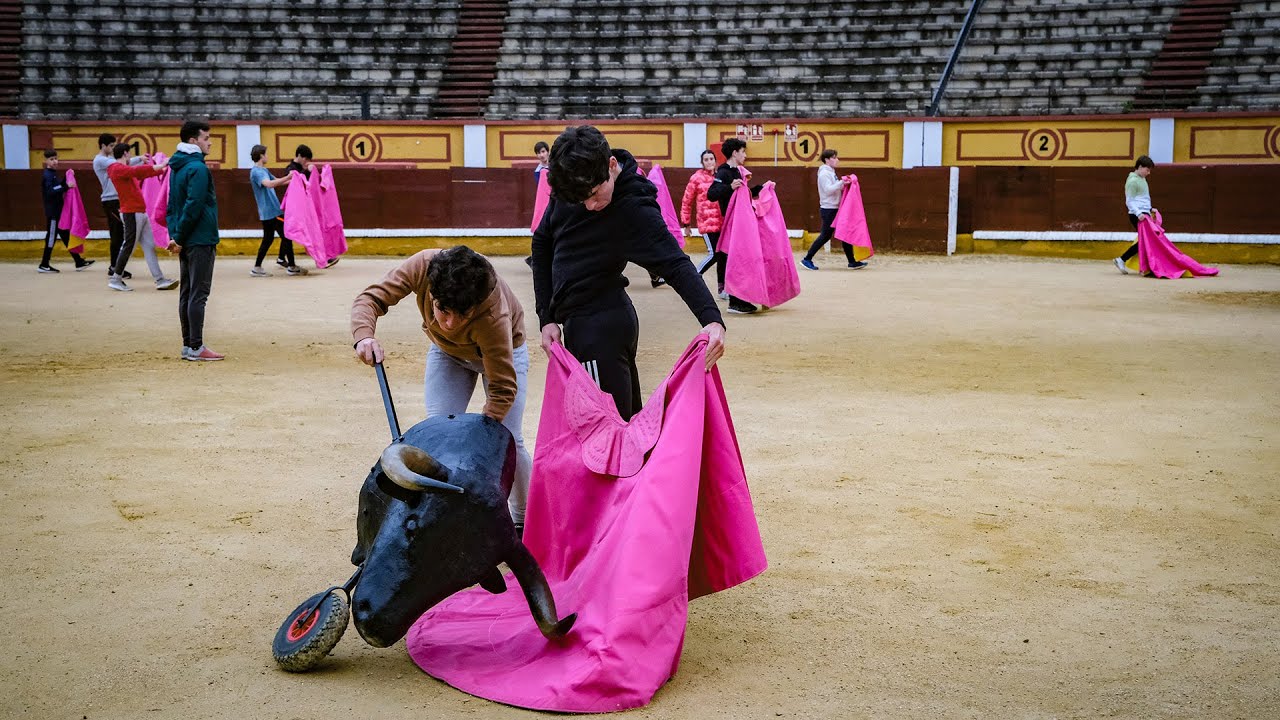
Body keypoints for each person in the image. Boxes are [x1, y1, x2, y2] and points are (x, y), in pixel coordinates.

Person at [532, 125, 726, 420]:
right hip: (587, 323)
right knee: (623, 429)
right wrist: (546, 317)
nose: (590, 206)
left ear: (612, 166)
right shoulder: (575, 182)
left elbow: (675, 264)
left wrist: (711, 318)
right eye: (581, 199)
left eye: (595, 194)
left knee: (606, 432)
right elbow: (542, 239)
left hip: (599, 329)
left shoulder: (634, 210)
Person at [351, 246, 533, 531]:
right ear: (432, 291)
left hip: (503, 355)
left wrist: (480, 437)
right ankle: (443, 515)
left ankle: (523, 520)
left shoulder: (493, 314)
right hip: (446, 353)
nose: (449, 324)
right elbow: (370, 298)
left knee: (509, 439)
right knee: (439, 431)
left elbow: (502, 388)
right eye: (442, 311)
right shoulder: (422, 266)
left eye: (461, 316)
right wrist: (364, 336)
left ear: (475, 306)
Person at [167, 120, 223, 361]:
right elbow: (194, 205)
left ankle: (188, 345)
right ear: (193, 141)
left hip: (186, 238)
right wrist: (179, 236)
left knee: (187, 292)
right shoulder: (198, 169)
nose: (209, 142)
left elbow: (171, 206)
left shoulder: (178, 167)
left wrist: (176, 236)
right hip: (199, 238)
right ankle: (196, 347)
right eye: (205, 137)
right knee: (198, 293)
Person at [706, 138, 762, 314]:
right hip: (731, 223)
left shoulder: (738, 172)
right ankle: (735, 301)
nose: (745, 155)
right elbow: (712, 194)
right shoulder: (723, 173)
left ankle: (738, 298)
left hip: (739, 223)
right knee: (737, 259)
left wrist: (760, 190)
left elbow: (742, 195)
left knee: (737, 259)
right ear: (734, 153)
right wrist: (729, 187)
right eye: (743, 152)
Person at [105, 143, 172, 291]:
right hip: (131, 213)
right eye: (129, 154)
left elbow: (140, 173)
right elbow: (137, 170)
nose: (131, 157)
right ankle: (116, 279)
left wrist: (161, 169)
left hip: (139, 212)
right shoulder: (116, 168)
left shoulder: (124, 170)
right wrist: (160, 165)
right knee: (128, 245)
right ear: (125, 154)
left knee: (149, 246)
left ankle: (160, 280)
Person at [801, 149, 866, 271]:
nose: (837, 160)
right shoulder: (824, 173)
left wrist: (844, 184)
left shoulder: (830, 172)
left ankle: (852, 261)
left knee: (845, 232)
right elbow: (828, 190)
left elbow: (833, 188)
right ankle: (807, 259)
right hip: (829, 208)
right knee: (825, 235)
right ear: (827, 159)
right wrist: (842, 182)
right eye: (834, 158)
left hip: (834, 207)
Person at [248, 144, 306, 277]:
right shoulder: (257, 172)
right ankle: (291, 266)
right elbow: (269, 184)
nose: (267, 156)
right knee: (286, 236)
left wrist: (295, 179)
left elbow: (278, 182)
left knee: (268, 239)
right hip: (271, 212)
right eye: (266, 154)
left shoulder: (264, 170)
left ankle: (257, 267)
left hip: (270, 211)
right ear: (261, 155)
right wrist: (288, 177)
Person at [38, 149, 93, 273]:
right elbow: (50, 192)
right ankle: (44, 264)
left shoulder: (52, 174)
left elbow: (58, 187)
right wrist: (67, 186)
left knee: (66, 236)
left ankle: (79, 262)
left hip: (58, 212)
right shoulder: (47, 175)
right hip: (53, 213)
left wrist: (66, 179)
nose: (55, 161)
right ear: (46, 161)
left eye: (56, 158)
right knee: (51, 238)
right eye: (51, 159)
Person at [679, 148, 724, 296]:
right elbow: (687, 201)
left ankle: (722, 289)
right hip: (706, 222)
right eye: (706, 160)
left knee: (723, 255)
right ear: (702, 162)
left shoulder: (720, 176)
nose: (709, 162)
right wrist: (686, 224)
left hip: (722, 222)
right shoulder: (696, 178)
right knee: (714, 254)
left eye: (711, 159)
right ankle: (694, 277)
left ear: (715, 161)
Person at [92, 133, 130, 281]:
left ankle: (115, 266)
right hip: (110, 201)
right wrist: (140, 160)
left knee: (119, 233)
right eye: (112, 146)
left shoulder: (107, 160)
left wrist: (141, 160)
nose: (113, 148)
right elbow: (122, 164)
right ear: (103, 146)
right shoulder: (100, 160)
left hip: (115, 200)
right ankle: (114, 267)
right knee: (117, 234)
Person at [1114, 155, 1156, 274]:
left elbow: (1141, 199)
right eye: (1147, 170)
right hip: (1137, 215)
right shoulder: (1132, 181)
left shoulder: (1141, 179)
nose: (1148, 173)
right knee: (1146, 240)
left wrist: (1150, 209)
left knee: (1145, 240)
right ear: (1140, 167)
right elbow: (1129, 201)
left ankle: (1136, 264)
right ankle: (1124, 260)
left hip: (1143, 213)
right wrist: (1138, 213)